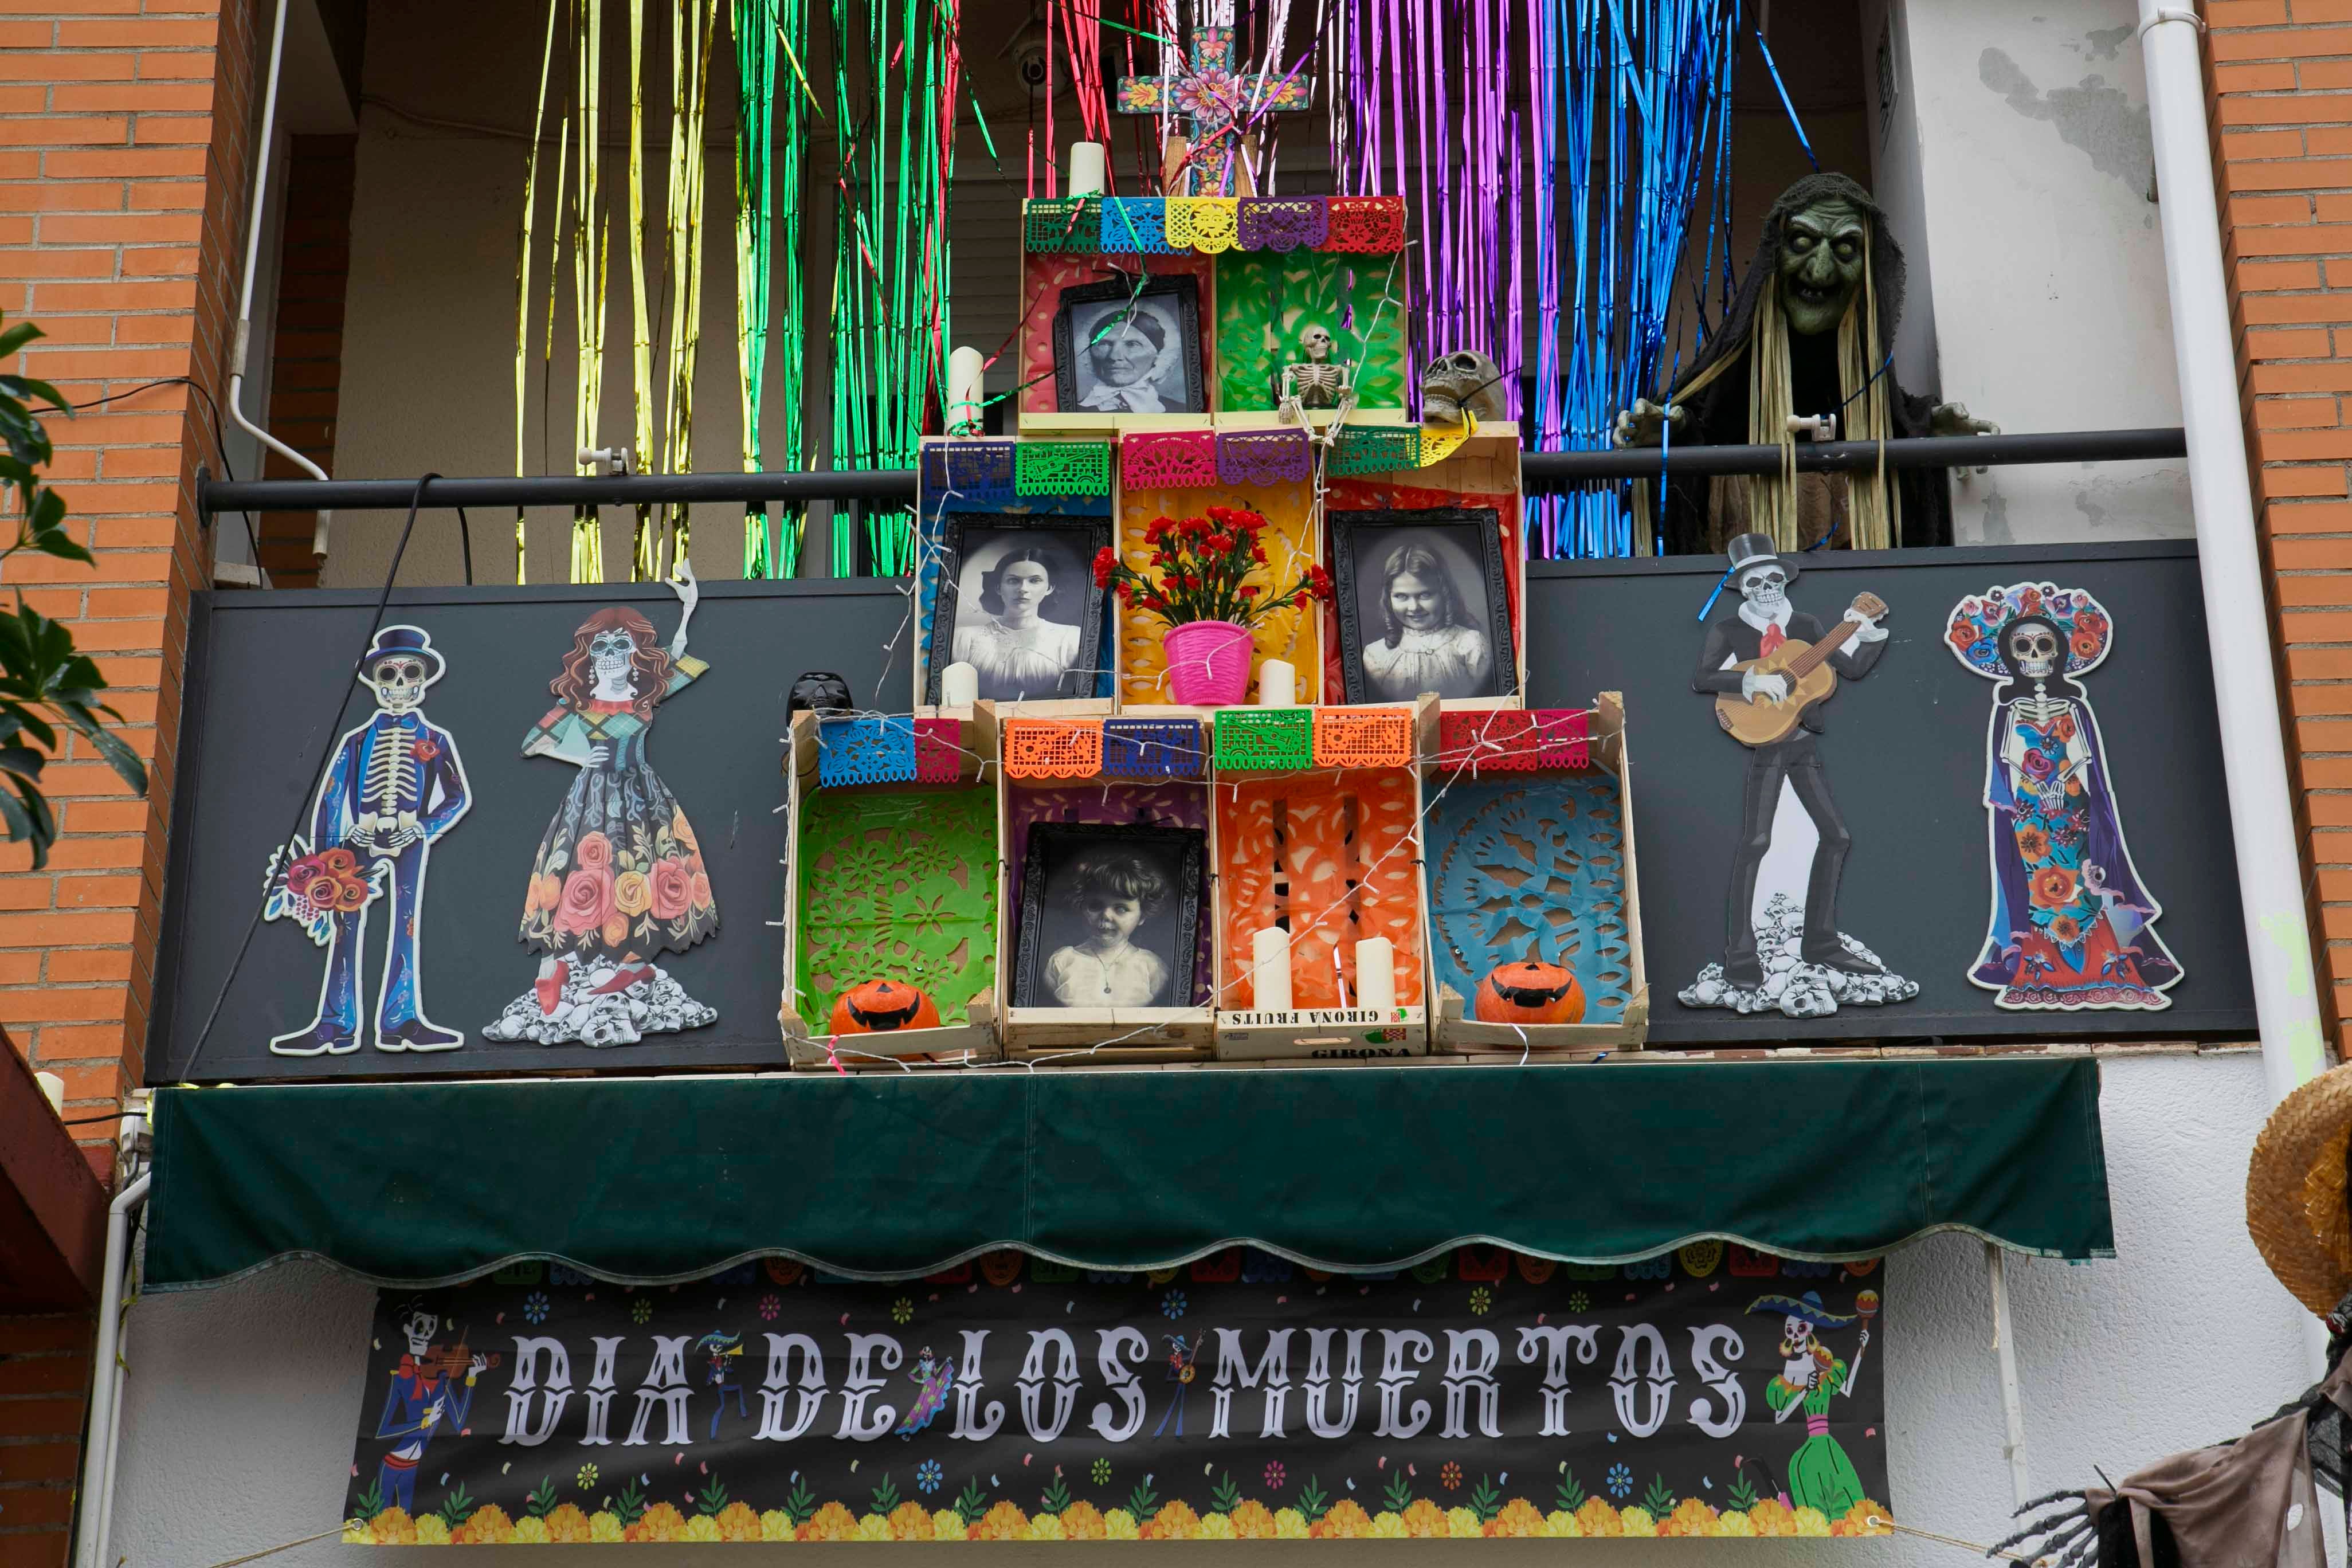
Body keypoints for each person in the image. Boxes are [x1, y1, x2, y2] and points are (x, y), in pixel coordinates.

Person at [485, 568, 718, 1042]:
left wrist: (689, 607)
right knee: (585, 876)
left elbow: (677, 659)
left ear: (636, 653)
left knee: (646, 877)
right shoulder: (579, 703)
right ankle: (563, 970)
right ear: (588, 654)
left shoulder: (644, 696)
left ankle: (631, 966)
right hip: (591, 799)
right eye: (601, 647)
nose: (611, 656)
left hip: (641, 796)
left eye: (621, 645)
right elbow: (533, 741)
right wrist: (575, 754)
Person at [1949, 588, 2179, 1009]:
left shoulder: (2073, 704)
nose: (2034, 652)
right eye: (2024, 645)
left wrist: (2064, 780)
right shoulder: (2008, 707)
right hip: (2029, 810)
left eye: (2044, 644)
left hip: (2073, 807)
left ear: (2058, 652)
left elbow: (2087, 758)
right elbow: (2005, 760)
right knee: (2037, 885)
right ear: (2010, 655)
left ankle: (2103, 967)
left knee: (2087, 881)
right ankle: (2042, 969)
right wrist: (2035, 786)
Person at [1690, 532, 1887, 990]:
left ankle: (1820, 941)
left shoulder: (1806, 625)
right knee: (1757, 840)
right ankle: (1741, 955)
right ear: (1742, 587)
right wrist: (1753, 682)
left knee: (1836, 836)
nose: (1767, 589)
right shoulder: (1729, 631)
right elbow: (1704, 677)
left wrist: (1866, 628)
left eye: (1773, 579)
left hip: (1800, 740)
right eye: (1755, 582)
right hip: (1762, 741)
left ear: (1784, 581)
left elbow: (1849, 667)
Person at [268, 625, 471, 1056]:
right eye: (389, 675)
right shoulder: (358, 740)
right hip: (356, 842)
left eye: (408, 673)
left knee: (407, 925)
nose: (399, 685)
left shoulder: (434, 739)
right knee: (345, 927)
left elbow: (457, 797)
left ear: (422, 681)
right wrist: (331, 847)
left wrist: (422, 828)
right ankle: (335, 1023)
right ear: (376, 683)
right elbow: (331, 796)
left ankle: (401, 1021)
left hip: (409, 837)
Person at [1359, 541, 1493, 701]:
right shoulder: (1376, 654)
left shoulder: (1470, 644)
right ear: (1389, 599)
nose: (1414, 607)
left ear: (1445, 594)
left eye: (1425, 595)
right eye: (1401, 596)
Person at [952, 544, 1081, 701]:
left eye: (1035, 581)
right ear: (999, 587)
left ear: (1050, 588)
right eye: (1013, 581)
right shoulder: (965, 638)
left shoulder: (1070, 638)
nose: (1023, 589)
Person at [1045, 850, 1171, 1007]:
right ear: (1081, 908)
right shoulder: (1062, 961)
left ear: (1142, 916)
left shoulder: (1150, 966)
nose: (1106, 916)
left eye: (1121, 909)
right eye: (1095, 906)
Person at [1079, 306, 1171, 413]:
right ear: (1090, 353)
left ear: (1158, 355)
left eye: (1132, 344)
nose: (1114, 356)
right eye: (1105, 344)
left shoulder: (1179, 410)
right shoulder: (1073, 412)